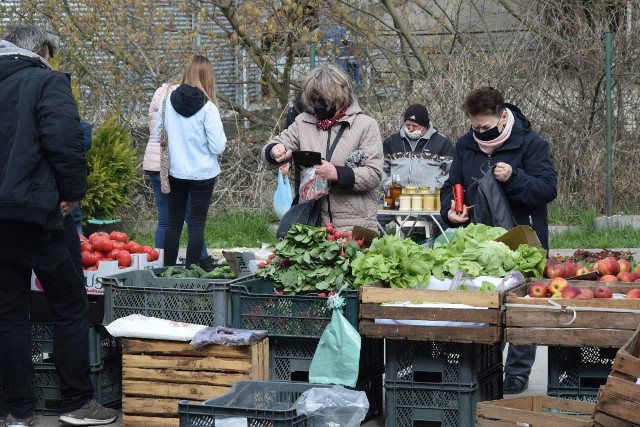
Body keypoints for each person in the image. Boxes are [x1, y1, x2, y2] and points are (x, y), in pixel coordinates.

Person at [0, 24, 118, 426]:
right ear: (41, 51)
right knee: (69, 305)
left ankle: (19, 411)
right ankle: (77, 402)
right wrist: (72, 193)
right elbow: (64, 139)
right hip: (39, 215)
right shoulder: (46, 82)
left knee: (9, 312)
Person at [440, 86, 557, 394]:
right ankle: (486, 365)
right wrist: (449, 211)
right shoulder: (465, 146)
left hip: (523, 238)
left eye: (487, 127)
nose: (481, 133)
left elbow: (547, 189)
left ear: (503, 117)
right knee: (483, 304)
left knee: (521, 306)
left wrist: (515, 178)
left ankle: (517, 372)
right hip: (479, 242)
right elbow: (451, 186)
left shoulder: (531, 144)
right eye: (475, 127)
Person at [262, 63, 383, 232]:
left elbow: (374, 174)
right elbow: (274, 146)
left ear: (340, 96)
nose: (318, 103)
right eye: (314, 98)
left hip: (354, 224)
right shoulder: (302, 122)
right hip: (312, 223)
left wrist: (337, 174)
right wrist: (274, 151)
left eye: (323, 98)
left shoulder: (365, 125)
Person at [156, 55, 227, 269]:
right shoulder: (208, 108)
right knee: (196, 225)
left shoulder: (167, 100)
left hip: (175, 171)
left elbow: (160, 131)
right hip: (203, 173)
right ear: (207, 77)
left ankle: (168, 272)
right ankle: (191, 273)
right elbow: (218, 146)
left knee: (173, 224)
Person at [144, 78, 215, 270]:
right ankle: (200, 260)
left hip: (152, 162)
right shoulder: (181, 98)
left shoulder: (159, 95)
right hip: (173, 164)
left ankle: (161, 264)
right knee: (194, 220)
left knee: (166, 220)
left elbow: (157, 132)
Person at [381, 103, 455, 189]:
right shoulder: (391, 142)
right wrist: (386, 185)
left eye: (415, 126)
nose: (410, 129)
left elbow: (452, 171)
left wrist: (437, 188)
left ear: (424, 125)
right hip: (396, 197)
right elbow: (381, 169)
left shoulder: (442, 143)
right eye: (408, 125)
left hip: (428, 198)